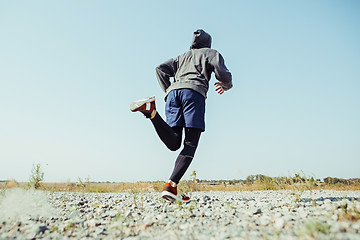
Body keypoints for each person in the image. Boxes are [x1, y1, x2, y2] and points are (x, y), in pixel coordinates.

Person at [130, 29, 232, 203]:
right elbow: (222, 73)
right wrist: (226, 84)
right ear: (208, 43)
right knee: (190, 143)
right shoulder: (210, 53)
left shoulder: (180, 57)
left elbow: (160, 69)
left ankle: (151, 112)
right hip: (193, 94)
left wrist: (169, 90)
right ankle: (171, 185)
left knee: (174, 142)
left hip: (173, 94)